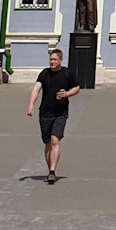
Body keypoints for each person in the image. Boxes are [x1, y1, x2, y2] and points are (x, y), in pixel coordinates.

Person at [25, 46, 80, 184]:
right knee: (47, 142)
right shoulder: (44, 74)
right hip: (45, 113)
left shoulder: (67, 74)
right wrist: (31, 105)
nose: (52, 62)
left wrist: (67, 94)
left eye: (55, 59)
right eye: (51, 59)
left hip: (60, 113)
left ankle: (52, 172)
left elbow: (77, 87)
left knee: (55, 139)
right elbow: (36, 89)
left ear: (61, 60)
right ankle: (50, 168)